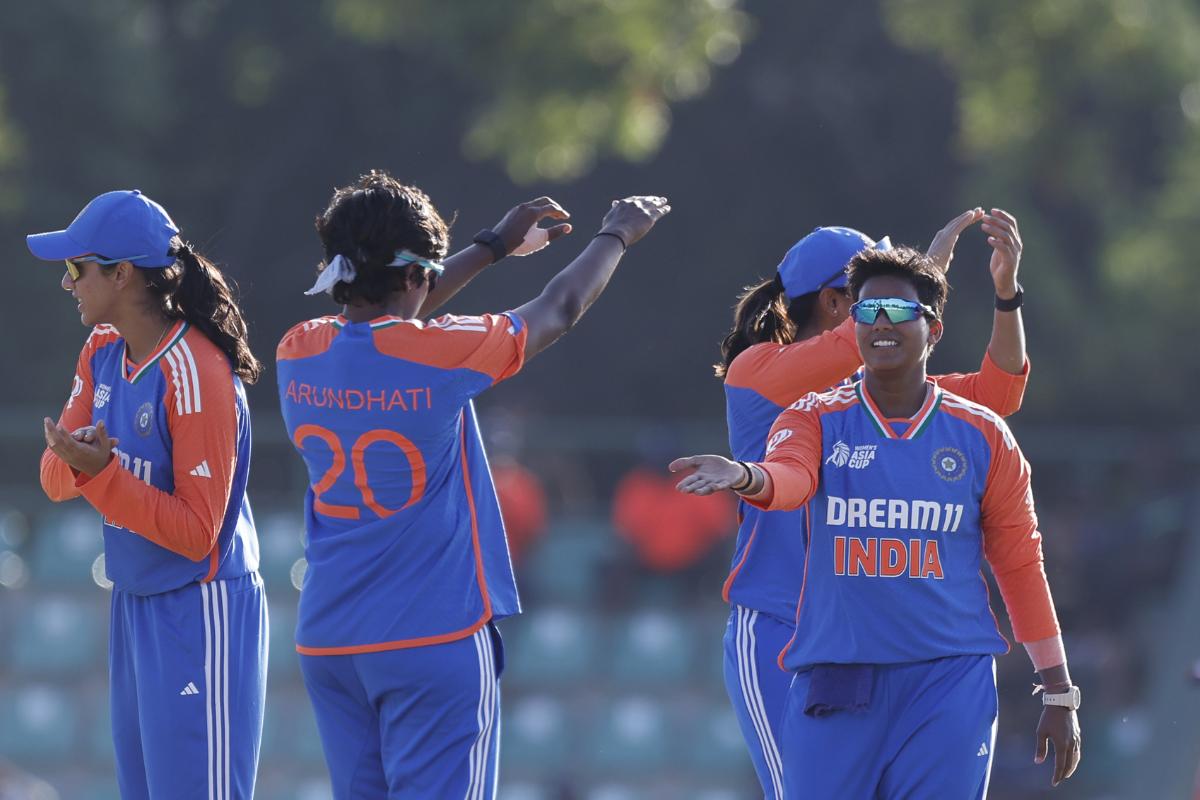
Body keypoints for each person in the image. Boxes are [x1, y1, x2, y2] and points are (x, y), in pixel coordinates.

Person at [275, 170, 668, 798]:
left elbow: (389, 317)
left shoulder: (297, 351)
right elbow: (559, 309)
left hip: (329, 642)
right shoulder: (439, 356)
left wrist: (490, 246)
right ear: (413, 276)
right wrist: (616, 235)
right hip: (432, 638)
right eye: (426, 274)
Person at [673, 245, 1081, 798]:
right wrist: (746, 477)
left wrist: (1057, 689)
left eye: (898, 311)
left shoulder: (978, 431)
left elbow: (1020, 562)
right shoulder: (811, 412)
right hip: (837, 670)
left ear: (933, 330)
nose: (880, 323)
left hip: (947, 678)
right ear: (840, 310)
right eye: (866, 311)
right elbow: (789, 478)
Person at [33, 190, 267, 799]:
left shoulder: (196, 370)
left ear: (121, 273)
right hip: (136, 602)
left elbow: (196, 534)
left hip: (200, 606)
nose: (68, 284)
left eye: (75, 268)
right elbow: (54, 478)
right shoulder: (102, 350)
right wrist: (83, 465)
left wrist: (101, 474)